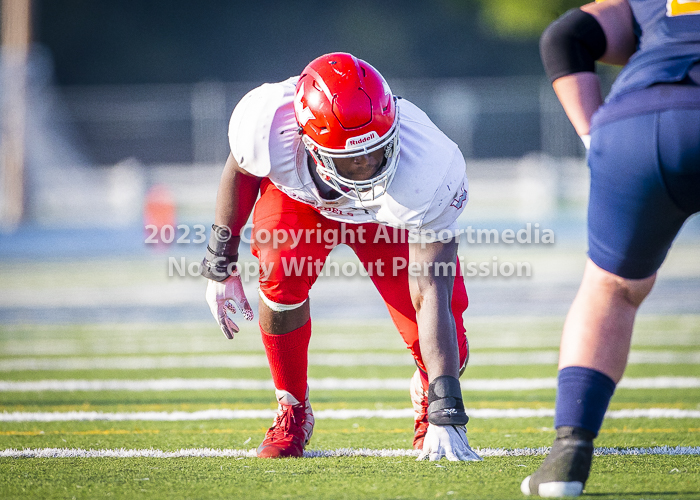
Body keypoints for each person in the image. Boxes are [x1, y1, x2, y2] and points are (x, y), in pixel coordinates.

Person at [200, 52, 482, 461]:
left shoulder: (427, 168)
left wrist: (447, 407)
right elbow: (241, 169)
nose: (368, 166)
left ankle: (426, 398)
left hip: (387, 216)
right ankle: (292, 409)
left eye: (377, 152)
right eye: (353, 159)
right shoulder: (268, 126)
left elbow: (430, 288)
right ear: (307, 143)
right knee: (279, 278)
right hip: (303, 203)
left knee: (449, 341)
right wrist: (220, 265)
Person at [522, 0, 700, 496]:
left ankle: (567, 456)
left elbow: (565, 37)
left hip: (636, 124)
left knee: (611, 288)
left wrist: (593, 137)